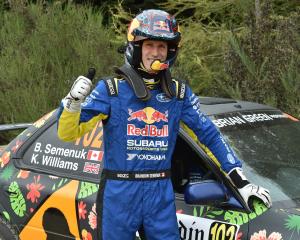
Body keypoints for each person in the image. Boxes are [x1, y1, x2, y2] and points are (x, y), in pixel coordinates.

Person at [57, 9, 271, 240]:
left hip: (159, 191)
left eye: (162, 47)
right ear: (136, 47)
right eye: (149, 45)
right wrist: (72, 103)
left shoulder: (178, 94)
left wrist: (241, 181)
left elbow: (209, 135)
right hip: (119, 192)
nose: (156, 53)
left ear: (171, 51)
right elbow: (68, 133)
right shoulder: (111, 90)